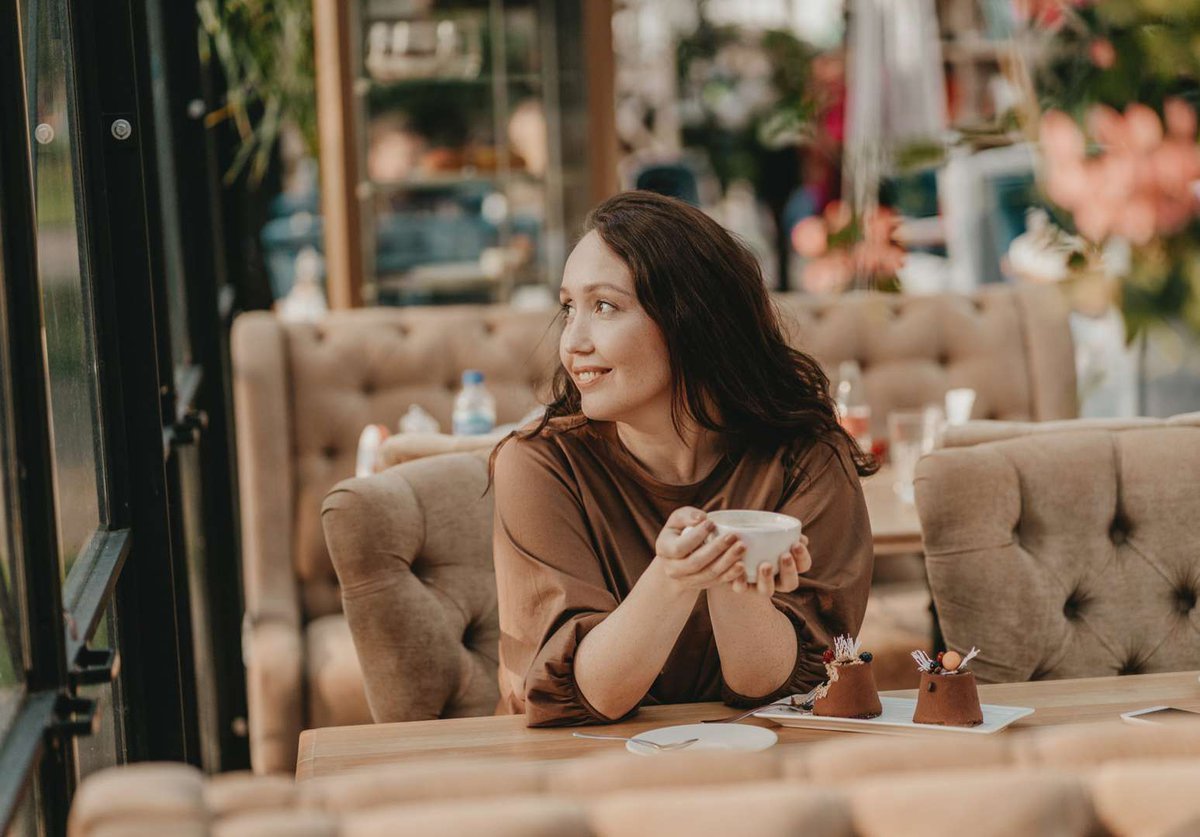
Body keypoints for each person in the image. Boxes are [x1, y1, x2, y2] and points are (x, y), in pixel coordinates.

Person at [490, 190, 876, 726]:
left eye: (604, 306)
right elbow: (588, 697)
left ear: (691, 322)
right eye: (568, 307)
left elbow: (780, 692)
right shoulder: (539, 466)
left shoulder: (806, 458)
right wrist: (674, 576)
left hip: (756, 766)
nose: (571, 342)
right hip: (576, 773)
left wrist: (731, 583)